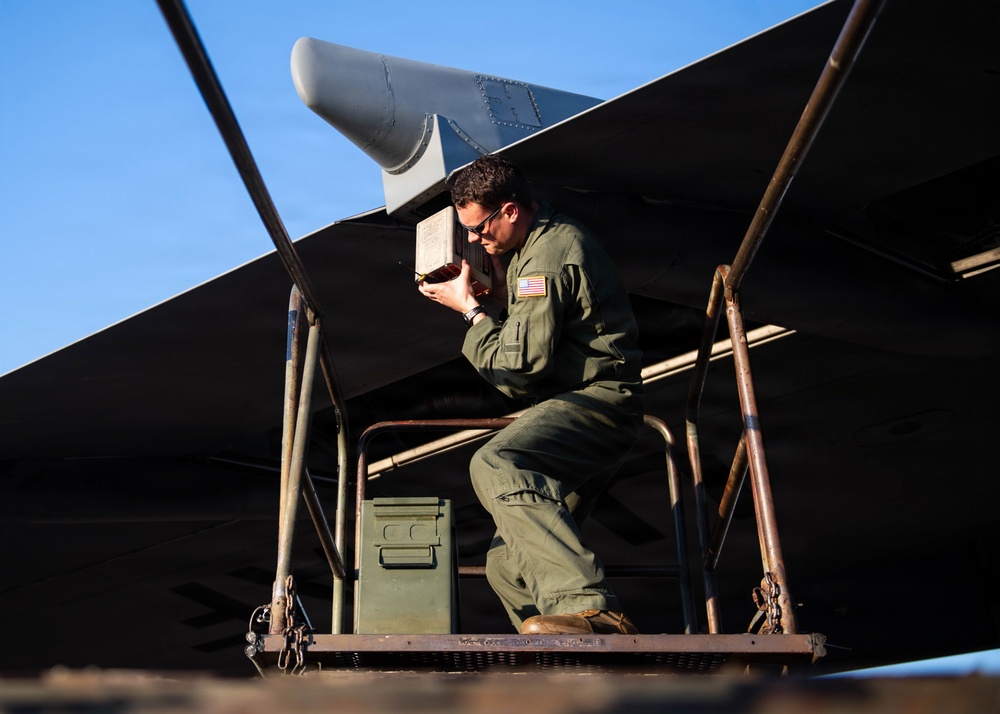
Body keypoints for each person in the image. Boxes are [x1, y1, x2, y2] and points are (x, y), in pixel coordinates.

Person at [418, 154, 644, 635]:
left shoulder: (545, 254)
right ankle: (559, 649)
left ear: (511, 211)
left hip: (600, 402)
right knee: (505, 563)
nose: (476, 241)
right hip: (577, 403)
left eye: (479, 230)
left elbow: (521, 370)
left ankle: (592, 610)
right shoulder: (530, 252)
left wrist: (470, 315)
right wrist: (493, 299)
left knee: (495, 462)